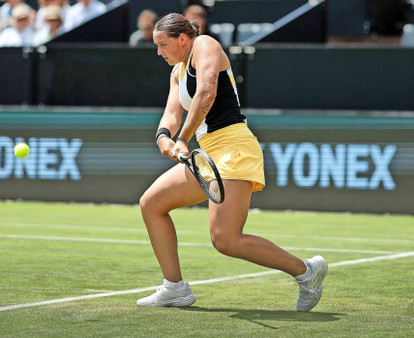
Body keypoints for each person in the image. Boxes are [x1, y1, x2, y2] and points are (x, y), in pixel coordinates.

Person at [136, 13, 327, 312]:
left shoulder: (205, 45)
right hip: (208, 153)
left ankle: (306, 271)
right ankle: (174, 288)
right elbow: (172, 114)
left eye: (162, 44)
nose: (159, 52)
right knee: (151, 204)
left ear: (182, 39)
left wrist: (183, 139)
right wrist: (163, 137)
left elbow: (207, 92)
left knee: (225, 240)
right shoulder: (177, 72)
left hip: (234, 148)